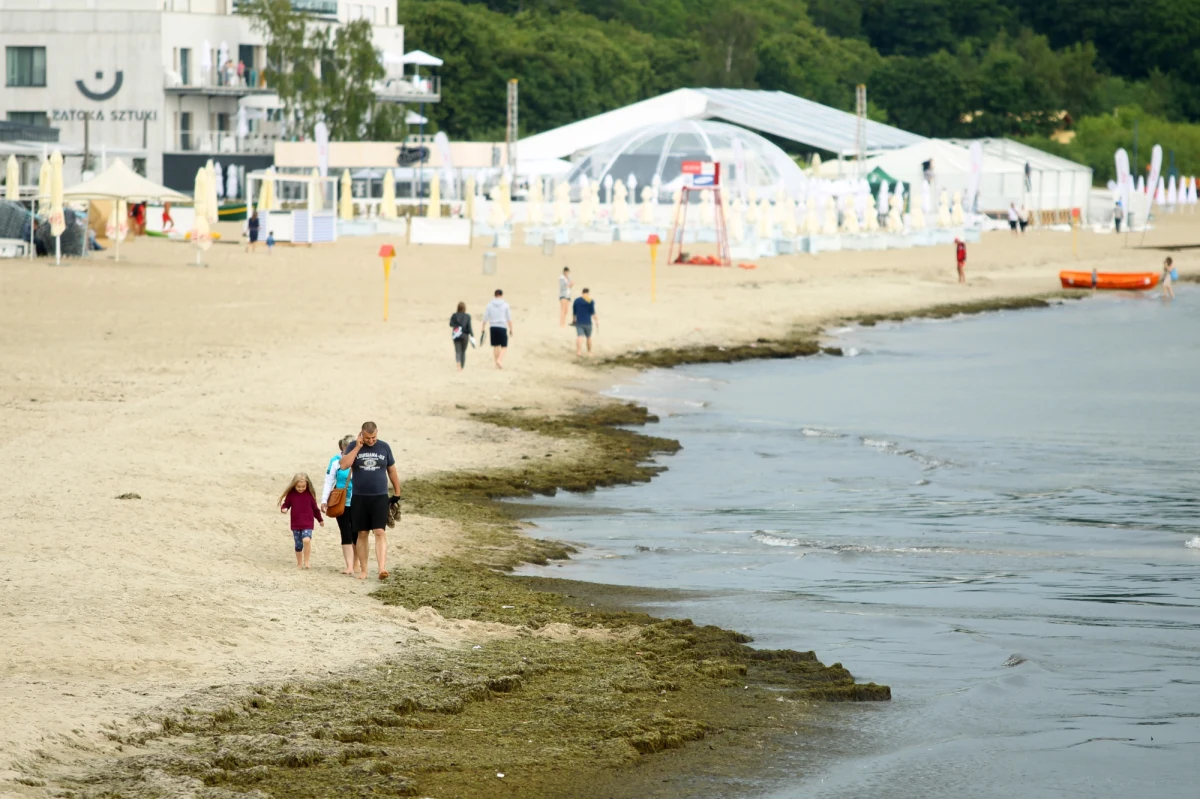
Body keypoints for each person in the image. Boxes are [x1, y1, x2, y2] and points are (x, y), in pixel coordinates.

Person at [339, 422, 402, 581]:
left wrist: (397, 492)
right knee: (362, 533)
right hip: (359, 497)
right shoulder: (354, 446)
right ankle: (364, 570)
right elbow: (344, 465)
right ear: (361, 434)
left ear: (377, 434)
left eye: (374, 437)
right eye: (368, 438)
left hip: (379, 496)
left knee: (380, 531)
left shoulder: (384, 447)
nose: (372, 441)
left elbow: (392, 470)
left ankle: (382, 568)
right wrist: (358, 447)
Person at [321, 435, 358, 576]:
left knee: (357, 533)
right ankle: (349, 566)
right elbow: (328, 480)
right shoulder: (335, 461)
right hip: (341, 501)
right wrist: (324, 500)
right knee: (346, 532)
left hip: (358, 501)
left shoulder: (360, 459)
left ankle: (356, 563)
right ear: (342, 447)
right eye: (348, 447)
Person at [280, 473, 323, 569]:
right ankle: (299, 563)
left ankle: (306, 561)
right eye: (298, 487)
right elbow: (286, 504)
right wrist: (284, 509)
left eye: (303, 486)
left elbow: (315, 509)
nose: (301, 488)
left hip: (307, 522)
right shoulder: (291, 494)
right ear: (294, 485)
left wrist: (320, 520)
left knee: (306, 539)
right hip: (296, 523)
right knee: (298, 544)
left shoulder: (309, 495)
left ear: (307, 485)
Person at [481, 288, 513, 369]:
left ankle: (496, 364)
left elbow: (485, 317)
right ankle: (499, 360)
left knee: (496, 346)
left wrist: (483, 327)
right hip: (502, 327)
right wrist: (511, 329)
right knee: (504, 346)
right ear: (502, 295)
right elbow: (509, 318)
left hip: (493, 327)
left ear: (495, 295)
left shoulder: (490, 304)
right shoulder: (505, 305)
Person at [572, 288, 598, 357]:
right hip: (588, 322)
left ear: (582, 293)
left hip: (579, 322)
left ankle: (578, 352)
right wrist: (596, 321)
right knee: (588, 337)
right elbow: (593, 312)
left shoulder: (577, 301)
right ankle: (589, 352)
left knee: (579, 336)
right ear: (588, 293)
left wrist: (574, 320)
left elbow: (574, 312)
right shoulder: (590, 301)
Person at [450, 301, 474, 371]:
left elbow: (451, 324)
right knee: (463, 351)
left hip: (456, 334)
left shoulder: (454, 315)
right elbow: (469, 327)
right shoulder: (467, 316)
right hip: (464, 335)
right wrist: (472, 335)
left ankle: (458, 364)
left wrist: (456, 326)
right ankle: (462, 367)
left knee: (458, 351)